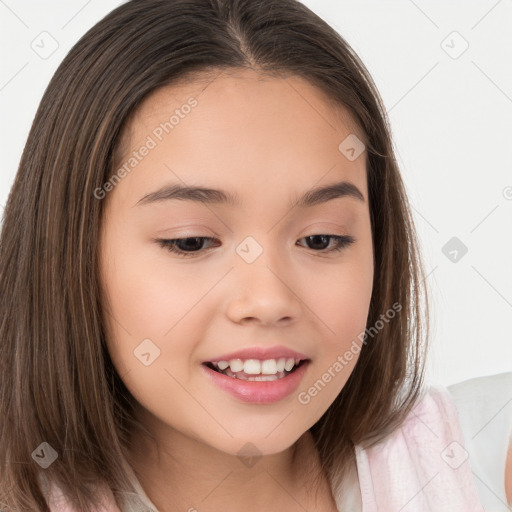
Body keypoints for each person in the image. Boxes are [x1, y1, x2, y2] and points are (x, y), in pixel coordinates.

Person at [0, 0, 510, 510]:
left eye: (320, 239)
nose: (267, 301)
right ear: (69, 255)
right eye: (191, 242)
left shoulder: (483, 457)